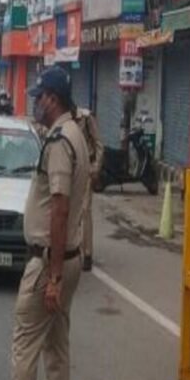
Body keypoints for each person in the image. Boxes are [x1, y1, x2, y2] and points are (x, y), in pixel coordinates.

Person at [11, 67, 89, 380]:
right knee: (56, 348)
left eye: (38, 98)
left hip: (49, 263)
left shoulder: (59, 142)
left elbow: (59, 209)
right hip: (69, 256)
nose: (35, 104)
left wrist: (53, 277)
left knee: (25, 344)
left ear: (53, 99)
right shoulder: (76, 134)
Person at [72, 106, 104, 272]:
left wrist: (96, 167)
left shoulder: (86, 117)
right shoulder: (63, 119)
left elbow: (98, 144)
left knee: (85, 210)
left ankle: (87, 254)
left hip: (86, 168)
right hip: (69, 168)